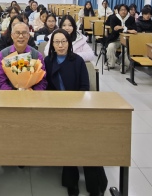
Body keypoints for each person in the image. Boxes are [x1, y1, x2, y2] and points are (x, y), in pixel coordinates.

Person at [44, 29, 108, 196]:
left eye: (64, 41)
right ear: (52, 45)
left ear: (69, 43)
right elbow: (45, 88)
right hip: (55, 109)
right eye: (57, 42)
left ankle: (94, 182)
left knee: (85, 138)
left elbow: (84, 87)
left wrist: (75, 107)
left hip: (77, 107)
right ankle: (71, 181)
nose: (60, 45)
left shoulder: (77, 60)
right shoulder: (47, 61)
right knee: (69, 138)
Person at [0, 21, 47, 90]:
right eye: (17, 33)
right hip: (9, 94)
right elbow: (1, 81)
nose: (21, 36)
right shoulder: (3, 55)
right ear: (12, 36)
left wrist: (32, 92)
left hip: (31, 94)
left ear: (28, 36)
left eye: (24, 33)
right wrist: (13, 93)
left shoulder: (37, 56)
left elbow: (42, 81)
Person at [104, 4, 137, 69]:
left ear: (127, 11)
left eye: (125, 10)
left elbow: (134, 29)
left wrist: (122, 27)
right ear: (118, 11)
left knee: (127, 49)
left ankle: (125, 66)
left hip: (126, 41)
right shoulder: (113, 18)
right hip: (115, 39)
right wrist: (128, 29)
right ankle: (111, 63)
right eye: (121, 10)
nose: (123, 11)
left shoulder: (131, 19)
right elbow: (114, 29)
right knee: (110, 47)